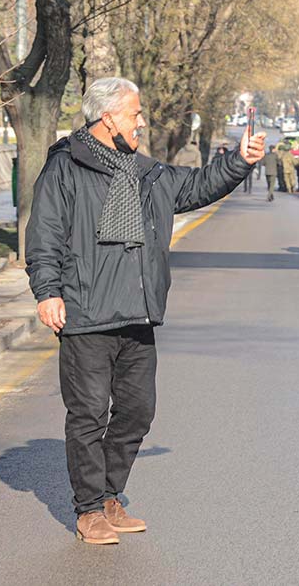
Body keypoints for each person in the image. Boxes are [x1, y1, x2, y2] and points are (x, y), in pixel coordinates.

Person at [25, 77, 262, 545]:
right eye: (135, 114)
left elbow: (195, 187)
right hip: (87, 313)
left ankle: (111, 496)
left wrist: (239, 161)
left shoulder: (145, 172)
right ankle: (89, 509)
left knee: (137, 412)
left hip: (138, 315)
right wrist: (47, 291)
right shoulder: (65, 168)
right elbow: (45, 234)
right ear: (108, 117)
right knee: (89, 414)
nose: (142, 122)